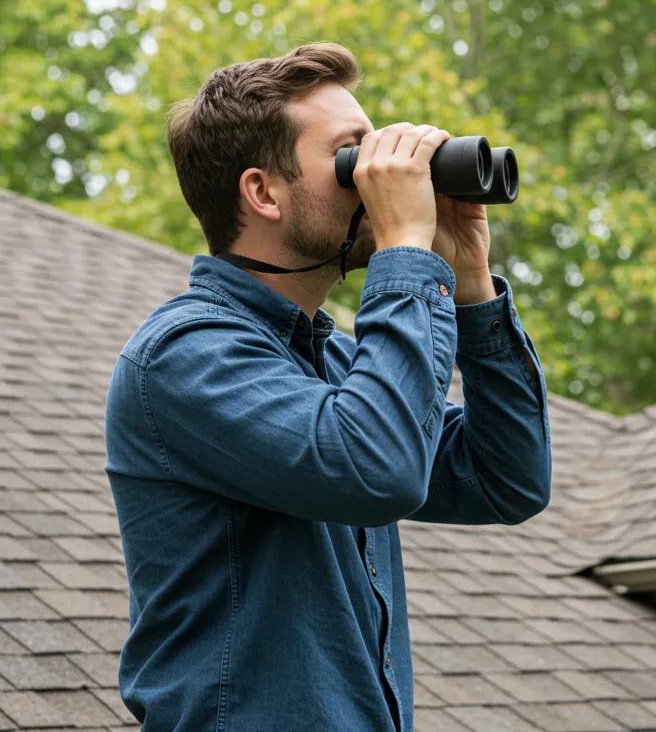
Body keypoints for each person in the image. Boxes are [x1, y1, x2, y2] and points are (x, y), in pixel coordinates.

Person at [104, 41, 551, 731]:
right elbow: (377, 469)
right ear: (262, 192)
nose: (381, 175)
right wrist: (404, 250)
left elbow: (508, 479)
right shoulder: (185, 355)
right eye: (354, 156)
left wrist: (468, 283)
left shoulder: (338, 367)